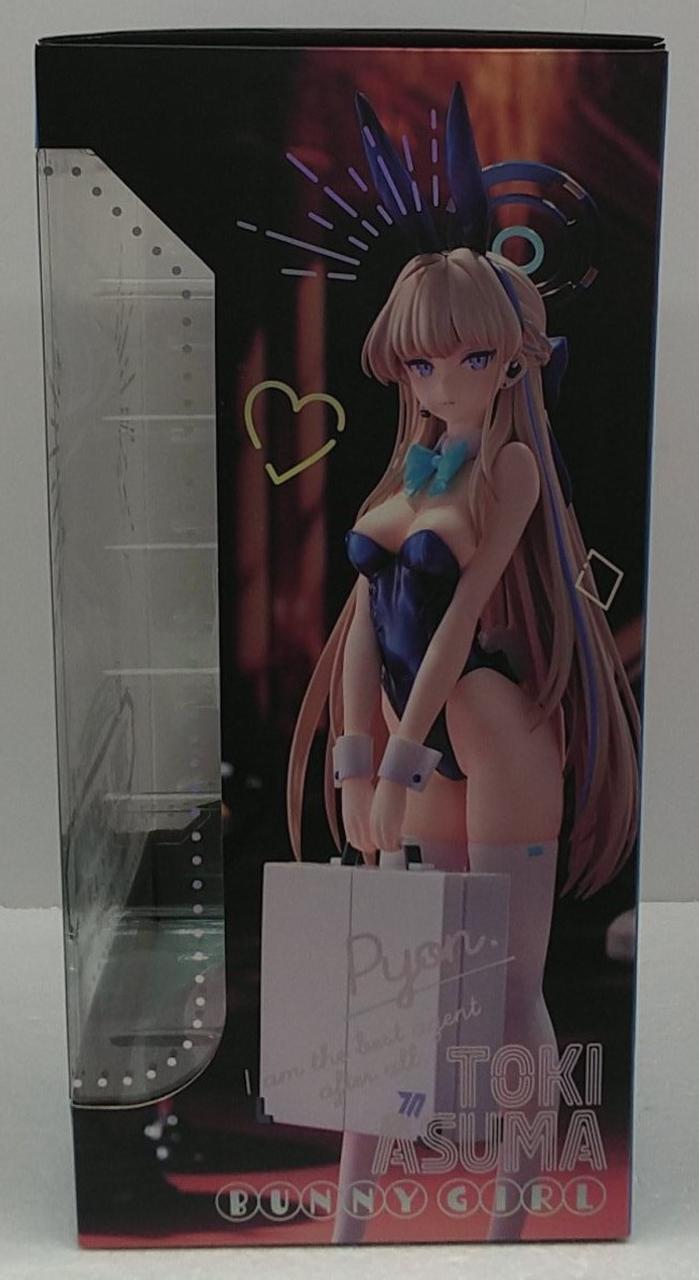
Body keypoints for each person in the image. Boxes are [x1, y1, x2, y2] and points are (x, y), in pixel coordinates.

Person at [285, 85, 640, 1245]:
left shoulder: (511, 471)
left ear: (512, 359)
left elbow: (458, 617)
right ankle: (350, 1221)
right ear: (403, 366)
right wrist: (356, 752)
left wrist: (397, 753)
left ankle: (515, 1217)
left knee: (505, 984)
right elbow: (362, 618)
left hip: (489, 729)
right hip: (409, 730)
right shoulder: (411, 468)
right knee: (394, 973)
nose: (444, 378)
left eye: (473, 356)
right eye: (425, 362)